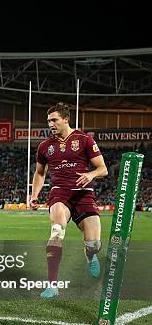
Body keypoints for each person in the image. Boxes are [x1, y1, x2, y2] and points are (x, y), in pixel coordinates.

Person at [30, 102, 108, 298]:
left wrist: (90, 175)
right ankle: (52, 285)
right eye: (48, 121)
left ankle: (91, 256)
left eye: (54, 120)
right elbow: (40, 173)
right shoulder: (45, 146)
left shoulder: (84, 140)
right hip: (59, 193)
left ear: (66, 119)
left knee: (93, 244)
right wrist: (34, 195)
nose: (50, 124)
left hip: (83, 194)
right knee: (56, 232)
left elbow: (103, 169)